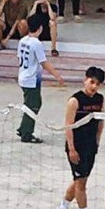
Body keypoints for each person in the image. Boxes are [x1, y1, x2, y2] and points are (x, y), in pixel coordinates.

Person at [58, 66, 105, 209]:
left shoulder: (100, 99)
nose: (94, 86)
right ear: (85, 80)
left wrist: (97, 142)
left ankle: (63, 206)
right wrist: (71, 149)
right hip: (76, 146)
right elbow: (68, 126)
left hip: (90, 146)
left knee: (80, 179)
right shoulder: (75, 101)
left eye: (97, 84)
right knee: (81, 184)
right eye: (92, 82)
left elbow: (101, 121)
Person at [17, 10, 62, 142]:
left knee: (30, 103)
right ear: (40, 28)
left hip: (23, 76)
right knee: (34, 105)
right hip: (31, 79)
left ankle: (23, 127)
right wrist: (57, 75)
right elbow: (44, 63)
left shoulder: (23, 40)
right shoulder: (37, 44)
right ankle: (27, 133)